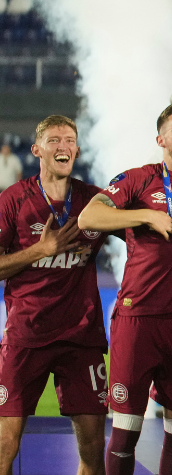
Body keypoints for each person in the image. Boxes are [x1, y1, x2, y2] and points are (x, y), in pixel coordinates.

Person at [76, 103, 172, 475]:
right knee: (125, 434)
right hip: (137, 319)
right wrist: (147, 215)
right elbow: (89, 216)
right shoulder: (138, 179)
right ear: (161, 139)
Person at [0, 116, 110, 475]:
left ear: (77, 149)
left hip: (81, 337)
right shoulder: (13, 200)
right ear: (36, 150)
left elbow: (139, 231)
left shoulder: (94, 200)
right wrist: (40, 250)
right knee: (4, 445)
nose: (63, 146)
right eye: (54, 140)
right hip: (26, 336)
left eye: (69, 140)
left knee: (94, 449)